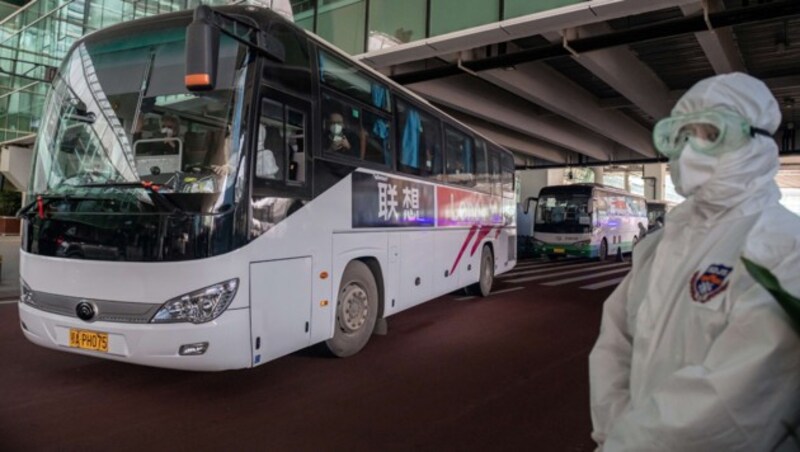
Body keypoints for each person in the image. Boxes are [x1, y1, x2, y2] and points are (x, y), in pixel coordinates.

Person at [589, 73, 800, 451]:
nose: (688, 153)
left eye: (709, 134)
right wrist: (613, 432)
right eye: (682, 137)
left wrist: (625, 444)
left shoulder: (784, 250)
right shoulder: (657, 247)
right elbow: (614, 346)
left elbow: (733, 403)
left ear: (755, 143)